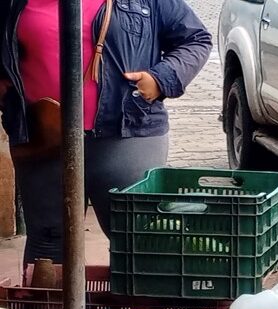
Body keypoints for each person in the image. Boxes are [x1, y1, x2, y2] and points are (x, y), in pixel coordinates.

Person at [0, 0, 212, 264]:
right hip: (43, 138)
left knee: (137, 240)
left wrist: (161, 78)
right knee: (48, 241)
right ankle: (48, 306)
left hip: (127, 132)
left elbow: (196, 38)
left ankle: (135, 305)